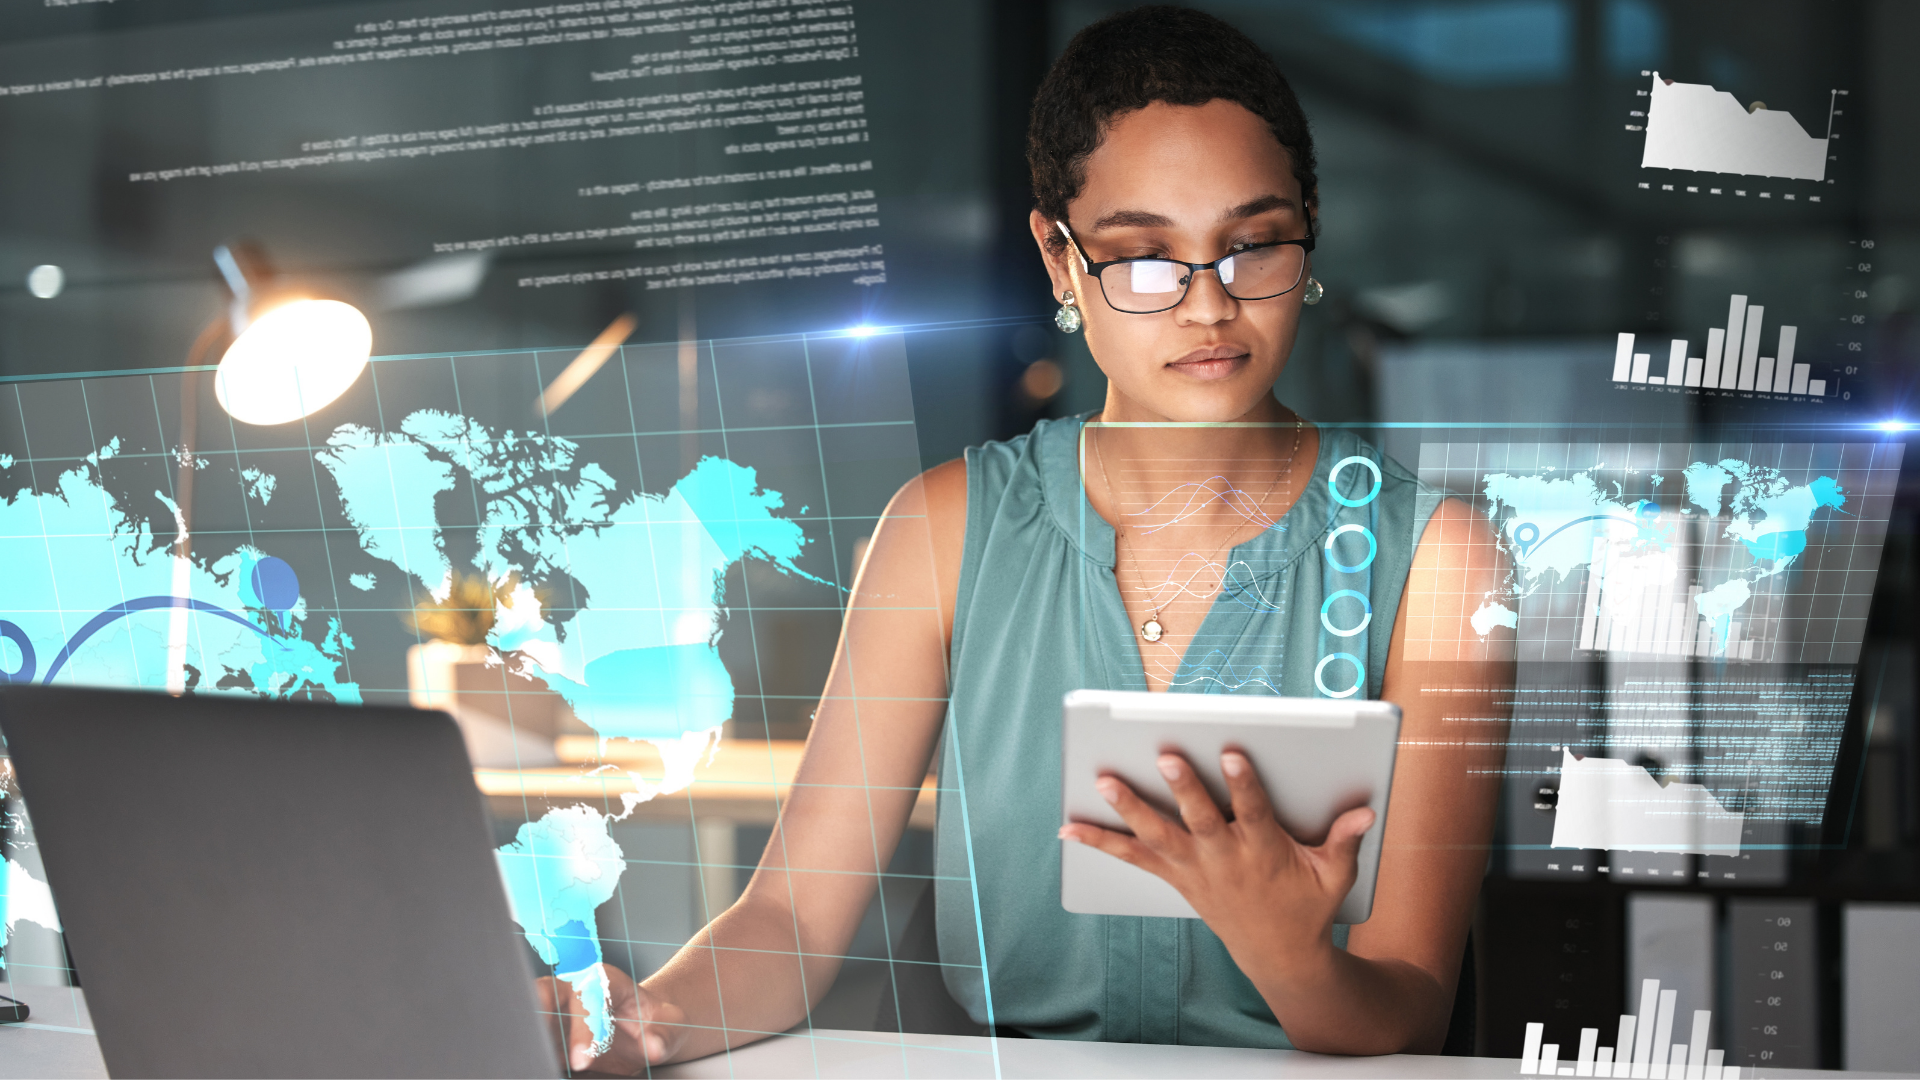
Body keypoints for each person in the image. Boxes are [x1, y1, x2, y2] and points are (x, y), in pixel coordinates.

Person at [541, 7, 1512, 1069]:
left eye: (1251, 246)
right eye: (1143, 258)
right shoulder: (943, 531)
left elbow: (1409, 1011)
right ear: (1059, 257)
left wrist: (1289, 952)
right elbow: (792, 921)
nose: (1206, 307)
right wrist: (644, 1026)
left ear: (1308, 228)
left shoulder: (1440, 560)